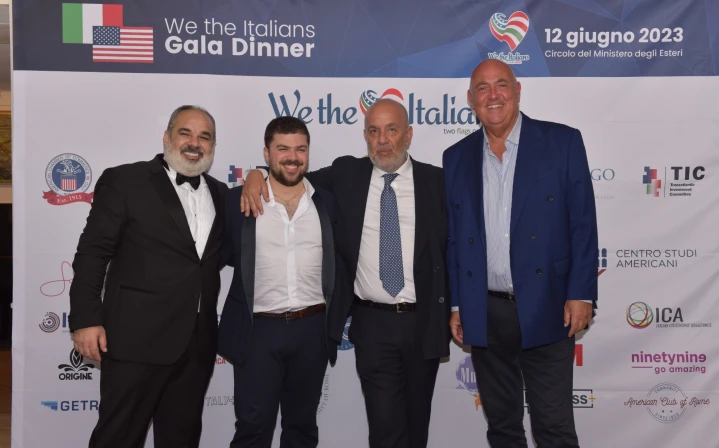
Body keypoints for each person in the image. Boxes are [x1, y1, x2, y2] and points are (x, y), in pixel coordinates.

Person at [242, 99, 450, 448]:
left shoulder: (437, 181)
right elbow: (292, 174)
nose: (382, 140)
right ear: (365, 136)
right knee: (385, 427)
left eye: (392, 130)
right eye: (373, 131)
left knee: (417, 424)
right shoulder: (346, 173)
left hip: (424, 321)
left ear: (409, 134)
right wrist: (255, 175)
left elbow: (458, 248)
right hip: (372, 323)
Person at [443, 59, 598, 447]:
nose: (492, 95)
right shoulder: (456, 156)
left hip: (549, 305)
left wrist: (581, 292)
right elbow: (455, 239)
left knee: (554, 427)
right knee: (502, 426)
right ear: (471, 99)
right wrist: (458, 304)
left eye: (501, 85)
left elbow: (583, 224)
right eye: (482, 88)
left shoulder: (562, 142)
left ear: (517, 90)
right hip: (485, 311)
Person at [69, 105, 227, 448]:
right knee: (118, 438)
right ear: (166, 137)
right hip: (134, 341)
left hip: (196, 345)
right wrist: (85, 319)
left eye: (205, 137)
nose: (195, 143)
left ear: (213, 146)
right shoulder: (127, 181)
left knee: (181, 439)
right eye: (185, 133)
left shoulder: (220, 193)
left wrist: (258, 176)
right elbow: (93, 253)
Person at [217, 116, 336, 447]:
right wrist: (253, 176)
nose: (292, 157)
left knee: (302, 428)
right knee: (253, 429)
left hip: (312, 329)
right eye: (283, 149)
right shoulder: (236, 202)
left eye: (300, 149)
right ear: (266, 153)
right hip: (257, 331)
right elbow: (214, 258)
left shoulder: (327, 201)